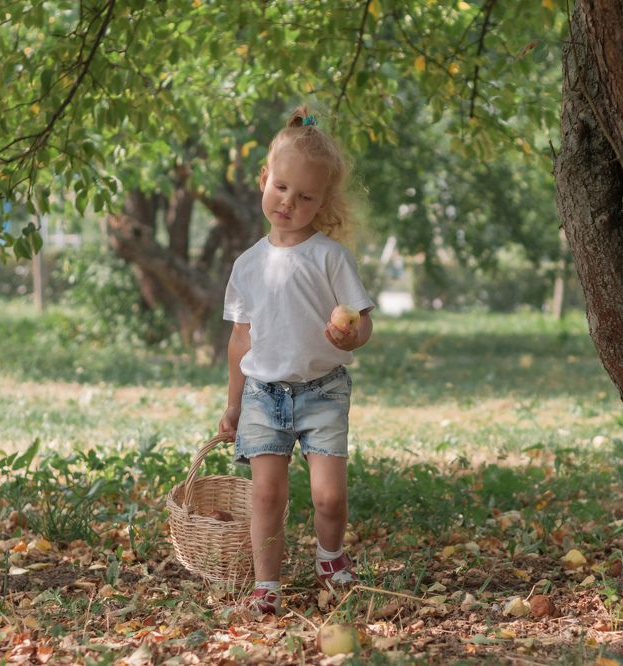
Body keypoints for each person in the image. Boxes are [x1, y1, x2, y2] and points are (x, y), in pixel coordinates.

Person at [218, 105, 374, 615]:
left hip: (322, 389)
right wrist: (233, 406)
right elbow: (241, 340)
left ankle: (330, 554)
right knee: (266, 496)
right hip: (263, 393)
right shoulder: (247, 265)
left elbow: (363, 323)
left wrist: (350, 337)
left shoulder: (330, 257)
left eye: (306, 196)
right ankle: (267, 585)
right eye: (281, 187)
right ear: (264, 179)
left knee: (328, 497)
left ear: (322, 200)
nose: (289, 202)